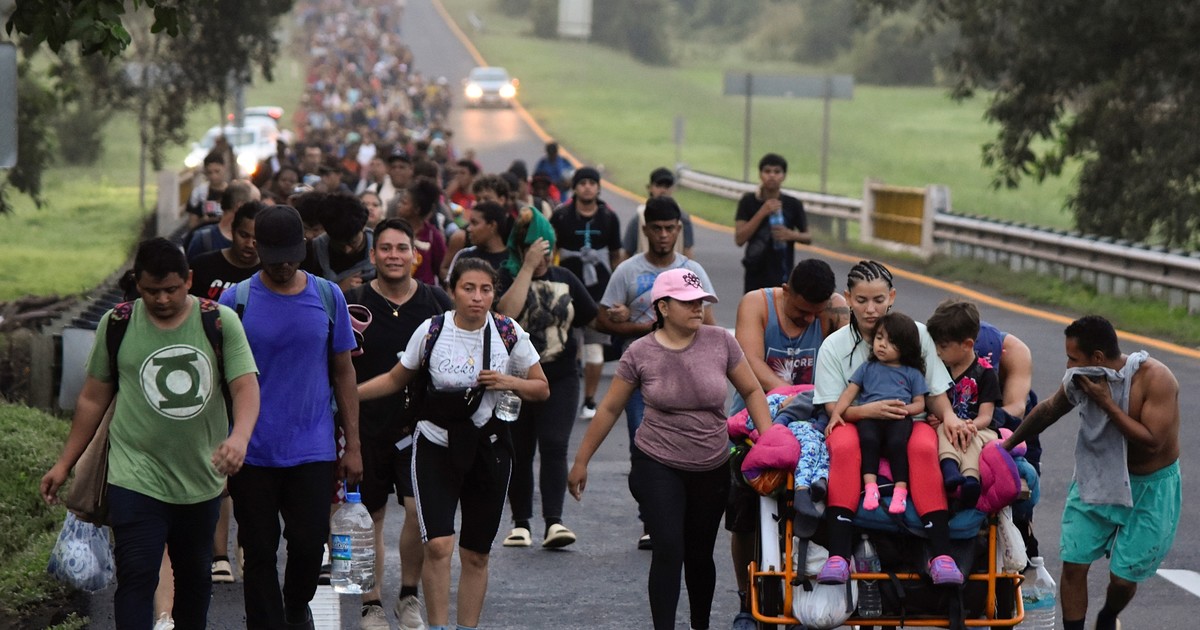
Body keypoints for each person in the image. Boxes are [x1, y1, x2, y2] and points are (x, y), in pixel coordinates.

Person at [40, 237, 260, 630]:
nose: (161, 299)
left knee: (194, 580)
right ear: (137, 284)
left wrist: (239, 438)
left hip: (200, 478)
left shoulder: (218, 321)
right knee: (137, 575)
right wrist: (64, 463)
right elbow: (92, 398)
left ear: (188, 280)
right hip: (134, 475)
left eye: (171, 289)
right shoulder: (118, 323)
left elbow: (245, 386)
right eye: (151, 290)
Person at [567, 268, 774, 630]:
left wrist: (769, 442)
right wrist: (581, 461)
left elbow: (753, 390)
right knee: (668, 549)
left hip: (711, 464)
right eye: (688, 302)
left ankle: (699, 625)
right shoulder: (640, 352)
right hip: (657, 462)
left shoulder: (720, 342)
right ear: (663, 307)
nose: (698, 308)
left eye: (701, 302)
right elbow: (610, 408)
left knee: (699, 554)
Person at [358, 258, 550, 630]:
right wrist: (348, 395)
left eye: (486, 289)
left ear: (494, 293)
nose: (477, 297)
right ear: (452, 291)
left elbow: (541, 388)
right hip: (435, 445)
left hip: (489, 448)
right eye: (468, 288)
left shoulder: (508, 331)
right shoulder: (432, 330)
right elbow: (396, 378)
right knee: (438, 545)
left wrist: (507, 382)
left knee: (476, 554)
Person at [218, 204, 363, 630]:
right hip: (252, 450)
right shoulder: (235, 302)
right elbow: (219, 379)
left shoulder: (327, 296)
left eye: (290, 257)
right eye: (274, 257)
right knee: (259, 550)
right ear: (257, 249)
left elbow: (344, 371)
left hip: (312, 448)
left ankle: (296, 604)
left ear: (303, 248)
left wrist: (353, 445)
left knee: (308, 544)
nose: (283, 266)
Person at [1002, 315, 1180, 630]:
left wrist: (1107, 404)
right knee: (1074, 563)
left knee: (1123, 578)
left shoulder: (1156, 379)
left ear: (1097, 357)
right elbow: (1050, 409)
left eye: (1073, 358)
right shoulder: (1082, 377)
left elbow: (1152, 442)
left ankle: (1108, 615)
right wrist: (1007, 445)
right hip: (1097, 476)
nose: (1068, 365)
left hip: (1150, 488)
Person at [812, 260, 966, 586]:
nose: (871, 310)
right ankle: (838, 556)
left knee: (924, 448)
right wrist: (870, 410)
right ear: (847, 299)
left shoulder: (917, 334)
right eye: (861, 300)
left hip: (908, 420)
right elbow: (834, 408)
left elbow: (935, 392)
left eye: (879, 300)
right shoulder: (833, 347)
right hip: (856, 422)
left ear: (892, 297)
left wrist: (950, 416)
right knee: (843, 446)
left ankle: (941, 556)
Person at [727, 257, 848, 630]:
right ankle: (746, 598)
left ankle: (808, 593)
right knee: (744, 518)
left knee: (817, 508)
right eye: (800, 312)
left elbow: (847, 363)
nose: (809, 319)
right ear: (785, 291)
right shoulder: (757, 304)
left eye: (816, 313)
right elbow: (750, 362)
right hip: (757, 423)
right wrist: (791, 395)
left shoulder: (833, 310)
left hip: (813, 426)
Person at [344, 218, 453, 630]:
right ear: (373, 255)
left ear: (414, 255)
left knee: (417, 512)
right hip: (364, 428)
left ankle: (409, 596)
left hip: (421, 430)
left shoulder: (436, 301)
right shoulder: (352, 301)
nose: (394, 256)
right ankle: (370, 603)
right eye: (386, 248)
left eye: (401, 248)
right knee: (369, 516)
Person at [495, 208, 598, 549]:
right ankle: (520, 523)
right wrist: (526, 268)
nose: (540, 257)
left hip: (561, 375)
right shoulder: (506, 276)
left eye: (545, 249)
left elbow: (592, 315)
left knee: (554, 444)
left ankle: (554, 522)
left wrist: (629, 319)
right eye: (532, 248)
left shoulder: (565, 277)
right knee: (519, 449)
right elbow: (506, 315)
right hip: (516, 379)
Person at [826, 311, 929, 515]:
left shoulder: (912, 373)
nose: (882, 345)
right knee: (868, 440)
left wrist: (903, 410)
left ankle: (900, 490)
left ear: (905, 347)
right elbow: (849, 393)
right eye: (879, 338)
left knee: (897, 444)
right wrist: (836, 414)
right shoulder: (867, 368)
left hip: (898, 419)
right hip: (870, 417)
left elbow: (920, 404)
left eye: (891, 342)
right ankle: (871, 487)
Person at [550, 166, 624, 420]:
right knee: (564, 349)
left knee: (594, 349)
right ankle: (563, 397)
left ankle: (590, 399)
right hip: (566, 292)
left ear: (598, 188)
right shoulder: (561, 216)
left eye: (592, 183)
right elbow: (552, 250)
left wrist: (617, 290)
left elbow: (615, 255)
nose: (587, 187)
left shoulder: (609, 217)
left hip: (598, 292)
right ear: (575, 187)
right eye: (583, 183)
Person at [926, 299, 1004, 511]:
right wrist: (935, 416)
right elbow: (932, 401)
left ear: (967, 344)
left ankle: (970, 479)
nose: (938, 352)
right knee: (946, 428)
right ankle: (951, 469)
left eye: (943, 346)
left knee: (969, 437)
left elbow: (986, 416)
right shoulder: (939, 368)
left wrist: (971, 425)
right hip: (947, 427)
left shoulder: (985, 373)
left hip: (979, 430)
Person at [733, 153, 811, 293]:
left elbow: (808, 237)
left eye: (777, 172)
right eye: (767, 171)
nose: (772, 176)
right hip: (755, 274)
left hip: (783, 273)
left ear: (784, 175)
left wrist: (790, 235)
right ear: (760, 174)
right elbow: (739, 238)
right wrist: (762, 212)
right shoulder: (748, 201)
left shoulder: (793, 204)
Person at [189, 201, 264, 301]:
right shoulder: (202, 266)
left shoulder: (270, 272)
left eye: (257, 238)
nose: (249, 244)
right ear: (232, 230)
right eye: (243, 235)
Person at [304, 193, 376, 292]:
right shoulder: (313, 252)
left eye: (353, 243)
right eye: (339, 245)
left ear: (363, 227)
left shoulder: (380, 247)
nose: (347, 250)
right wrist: (338, 289)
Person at [621, 167, 696, 259]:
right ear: (650, 188)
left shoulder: (682, 217)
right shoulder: (640, 218)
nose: (663, 190)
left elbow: (687, 251)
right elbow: (627, 253)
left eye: (667, 186)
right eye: (659, 185)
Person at [186, 180, 258, 262]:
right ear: (240, 206)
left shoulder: (261, 241)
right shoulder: (203, 239)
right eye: (255, 204)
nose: (249, 244)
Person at [396, 176, 447, 287]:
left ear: (417, 209)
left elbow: (441, 268)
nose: (399, 205)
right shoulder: (392, 230)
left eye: (404, 203)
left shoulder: (433, 236)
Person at [186, 152, 231, 230]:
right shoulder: (198, 194)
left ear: (224, 168)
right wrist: (202, 222)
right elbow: (192, 224)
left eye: (217, 171)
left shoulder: (232, 192)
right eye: (209, 172)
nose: (214, 176)